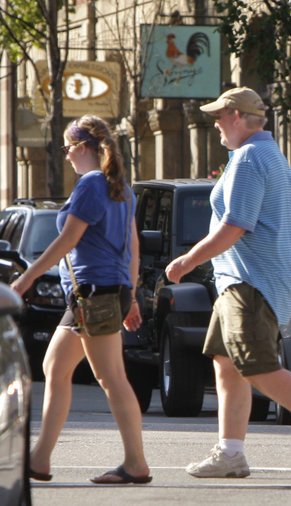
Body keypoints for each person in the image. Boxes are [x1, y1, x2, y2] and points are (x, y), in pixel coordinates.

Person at [165, 87, 291, 479]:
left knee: (255, 366)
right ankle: (230, 453)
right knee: (227, 364)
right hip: (240, 281)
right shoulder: (258, 154)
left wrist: (187, 261)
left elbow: (236, 224)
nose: (216, 125)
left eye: (219, 117)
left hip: (249, 282)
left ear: (236, 116)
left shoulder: (251, 158)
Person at [12, 115, 151, 484]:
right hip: (102, 292)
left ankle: (136, 463)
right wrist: (131, 295)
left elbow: (68, 239)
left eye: (69, 147)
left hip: (95, 293)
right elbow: (132, 247)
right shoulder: (120, 186)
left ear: (85, 147)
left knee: (112, 379)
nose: (67, 155)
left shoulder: (92, 184)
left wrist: (25, 280)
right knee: (56, 368)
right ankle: (39, 459)